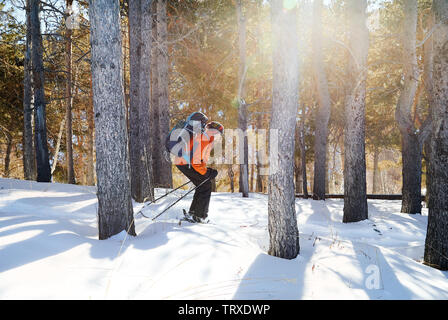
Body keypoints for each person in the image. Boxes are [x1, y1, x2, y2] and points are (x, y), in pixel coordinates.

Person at [174, 112, 224, 223]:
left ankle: (193, 213)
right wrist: (206, 173)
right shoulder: (204, 138)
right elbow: (196, 162)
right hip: (185, 163)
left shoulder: (207, 139)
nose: (219, 137)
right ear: (214, 131)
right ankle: (199, 216)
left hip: (184, 162)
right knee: (205, 185)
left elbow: (200, 160)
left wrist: (206, 172)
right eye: (219, 134)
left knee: (202, 184)